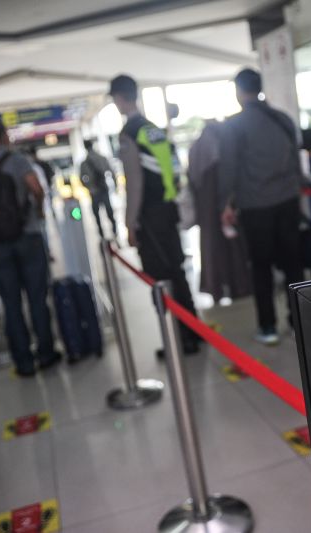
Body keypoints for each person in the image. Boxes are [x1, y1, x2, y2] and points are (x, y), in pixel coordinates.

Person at [109, 74, 200, 355]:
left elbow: (134, 183)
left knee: (160, 278)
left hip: (149, 216)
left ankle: (179, 340)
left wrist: (129, 222)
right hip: (167, 210)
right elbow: (173, 172)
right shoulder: (153, 129)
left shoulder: (129, 134)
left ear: (120, 98)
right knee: (176, 271)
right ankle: (193, 331)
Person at [0, 118, 61, 376]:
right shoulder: (17, 160)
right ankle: (46, 353)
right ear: (4, 136)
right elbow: (36, 188)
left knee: (10, 303)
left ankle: (23, 362)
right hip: (27, 235)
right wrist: (37, 211)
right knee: (37, 297)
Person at [218, 68, 304, 346]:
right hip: (288, 202)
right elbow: (295, 159)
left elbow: (229, 170)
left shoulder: (234, 126)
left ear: (238, 92)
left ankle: (268, 327)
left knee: (261, 267)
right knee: (293, 263)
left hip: (255, 207)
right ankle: (299, 323)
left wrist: (225, 205)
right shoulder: (282, 119)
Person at [187, 120, 252, 303]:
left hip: (206, 211)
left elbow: (192, 180)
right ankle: (238, 287)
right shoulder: (223, 147)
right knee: (234, 249)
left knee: (211, 249)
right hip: (227, 207)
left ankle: (216, 287)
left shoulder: (196, 148)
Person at [79, 140, 118, 238]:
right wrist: (115, 186)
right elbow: (112, 173)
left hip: (94, 191)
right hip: (103, 188)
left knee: (97, 214)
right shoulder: (101, 158)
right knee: (109, 212)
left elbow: (81, 178)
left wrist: (88, 187)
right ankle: (114, 231)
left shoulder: (84, 163)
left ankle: (101, 234)